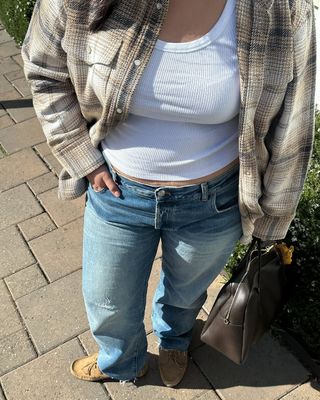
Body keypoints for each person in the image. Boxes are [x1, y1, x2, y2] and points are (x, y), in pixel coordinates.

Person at [21, 0, 317, 388]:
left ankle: (175, 341)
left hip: (215, 203)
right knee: (107, 300)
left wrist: (273, 220)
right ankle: (120, 359)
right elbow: (44, 70)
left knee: (186, 292)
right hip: (118, 195)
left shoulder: (281, 11)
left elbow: (294, 123)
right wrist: (83, 159)